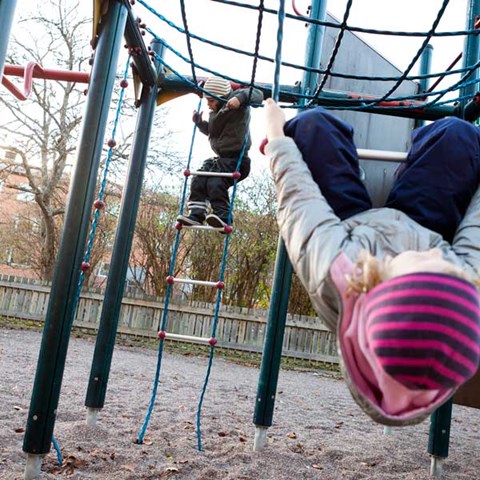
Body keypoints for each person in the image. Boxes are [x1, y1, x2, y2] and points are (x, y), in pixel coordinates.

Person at [263, 98, 480, 426]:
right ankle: (414, 172)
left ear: (381, 281)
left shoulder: (337, 271)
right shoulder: (465, 281)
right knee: (458, 133)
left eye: (427, 260)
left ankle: (356, 174)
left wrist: (276, 136)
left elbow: (300, 200)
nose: (439, 253)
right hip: (425, 222)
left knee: (311, 125)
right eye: (448, 261)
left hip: (349, 225)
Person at [177, 76, 264, 231]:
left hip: (237, 160)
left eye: (210, 100)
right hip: (221, 159)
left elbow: (257, 93)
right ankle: (196, 214)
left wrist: (239, 98)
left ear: (221, 97)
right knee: (199, 178)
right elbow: (213, 133)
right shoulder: (215, 112)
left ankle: (223, 216)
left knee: (215, 183)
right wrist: (199, 123)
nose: (208, 104)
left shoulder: (237, 107)